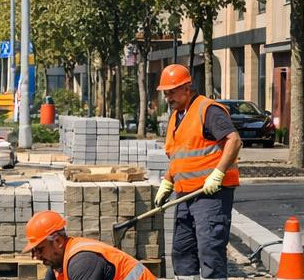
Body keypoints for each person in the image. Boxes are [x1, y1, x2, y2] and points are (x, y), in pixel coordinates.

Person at [153, 64, 241, 280]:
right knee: (182, 253)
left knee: (210, 252)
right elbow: (179, 157)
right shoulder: (176, 116)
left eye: (172, 91)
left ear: (186, 87)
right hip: (185, 195)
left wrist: (218, 173)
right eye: (165, 93)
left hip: (211, 195)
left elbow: (234, 140)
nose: (168, 97)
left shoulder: (207, 110)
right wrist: (167, 182)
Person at [24, 211, 157, 280]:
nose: (36, 256)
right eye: (33, 251)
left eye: (39, 249)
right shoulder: (57, 265)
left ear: (58, 242)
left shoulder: (82, 262)